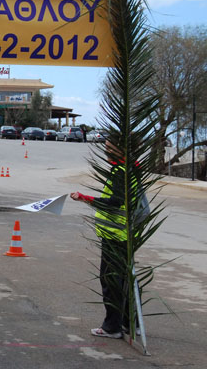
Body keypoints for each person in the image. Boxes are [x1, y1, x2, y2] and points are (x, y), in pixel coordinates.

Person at [70, 140, 141, 339]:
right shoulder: (130, 168)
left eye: (111, 147)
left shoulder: (121, 172)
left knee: (112, 280)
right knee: (125, 279)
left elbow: (116, 202)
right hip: (121, 234)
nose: (107, 151)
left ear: (123, 147)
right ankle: (130, 323)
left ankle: (113, 327)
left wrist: (86, 198)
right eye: (106, 147)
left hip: (116, 235)